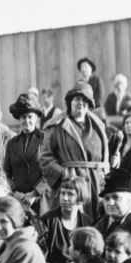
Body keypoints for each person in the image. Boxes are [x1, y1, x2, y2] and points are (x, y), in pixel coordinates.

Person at [39, 82, 108, 218]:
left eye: (85, 100)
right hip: (70, 186)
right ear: (69, 102)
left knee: (98, 222)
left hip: (96, 186)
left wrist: (111, 162)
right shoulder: (56, 126)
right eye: (77, 99)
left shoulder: (98, 125)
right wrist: (65, 174)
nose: (81, 103)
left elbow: (104, 155)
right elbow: (45, 158)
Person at [37, 176, 92, 263]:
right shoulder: (46, 221)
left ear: (80, 197)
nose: (65, 198)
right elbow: (37, 255)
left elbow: (91, 254)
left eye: (70, 194)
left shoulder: (87, 223)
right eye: (62, 193)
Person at [3, 93, 47, 212]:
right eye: (23, 117)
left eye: (30, 117)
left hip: (42, 200)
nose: (26, 120)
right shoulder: (12, 143)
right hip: (18, 201)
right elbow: (5, 174)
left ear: (36, 118)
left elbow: (50, 172)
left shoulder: (45, 139)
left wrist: (34, 193)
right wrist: (16, 193)